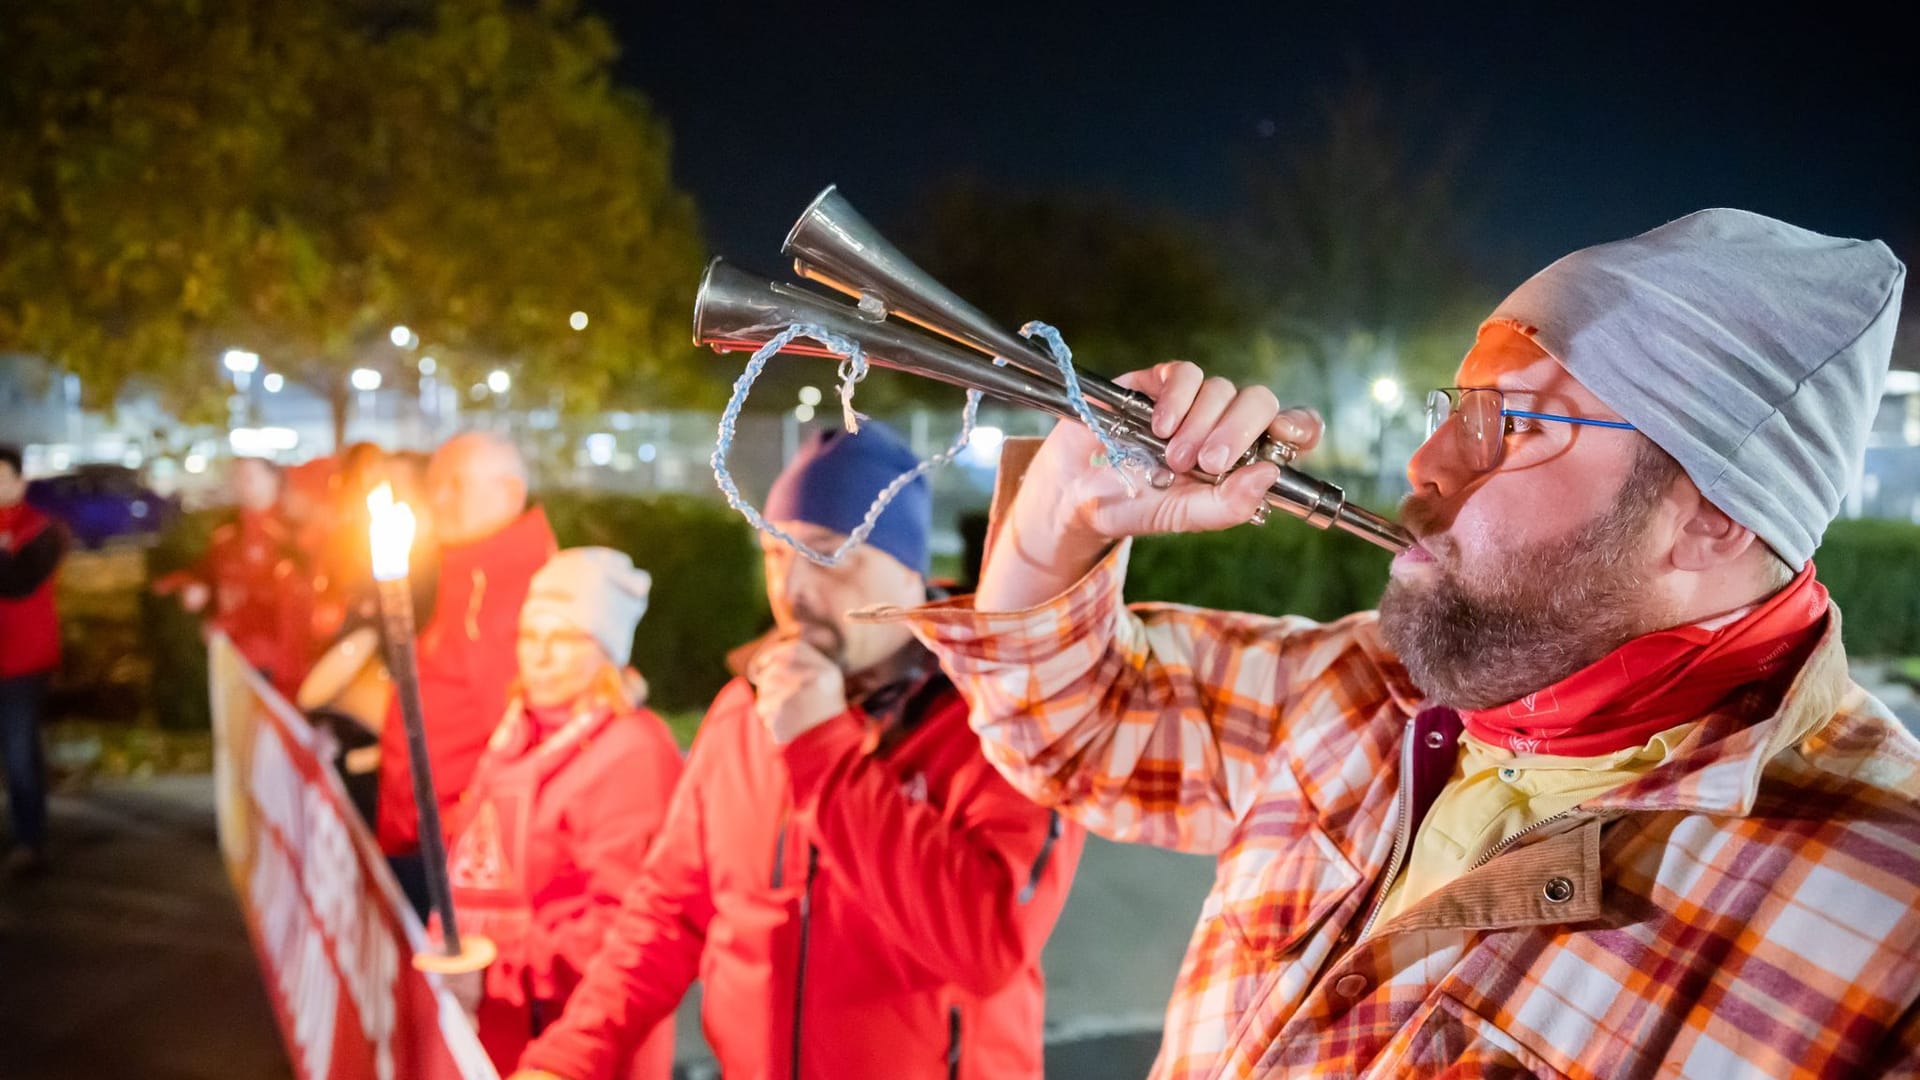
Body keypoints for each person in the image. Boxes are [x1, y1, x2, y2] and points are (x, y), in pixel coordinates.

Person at [891, 210, 1918, 1075]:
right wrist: (1060, 519)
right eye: (1450, 411)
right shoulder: (1363, 685)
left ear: (1712, 520)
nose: (1425, 464)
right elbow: (1077, 727)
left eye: (1512, 425)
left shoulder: (1891, 928)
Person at [511, 423, 1085, 1080]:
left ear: (906, 564)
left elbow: (989, 943)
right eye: (775, 554)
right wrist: (569, 1058)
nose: (792, 591)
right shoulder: (744, 711)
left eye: (825, 554)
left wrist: (820, 748)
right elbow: (668, 912)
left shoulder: (999, 713)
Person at [436, 547, 681, 1079]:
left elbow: (627, 928)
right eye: (530, 636)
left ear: (607, 650)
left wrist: (496, 965)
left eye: (565, 639)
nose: (540, 656)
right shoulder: (513, 736)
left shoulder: (631, 752)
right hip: (496, 1030)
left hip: (578, 1046)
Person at [377, 433, 556, 874]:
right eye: (434, 482)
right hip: (430, 835)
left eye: (456, 485)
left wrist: (467, 823)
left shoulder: (518, 592)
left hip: (460, 850)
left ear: (510, 494)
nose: (437, 498)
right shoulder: (473, 576)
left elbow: (530, 735)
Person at [153, 456, 313, 698]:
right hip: (235, 655)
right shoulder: (228, 531)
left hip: (284, 658)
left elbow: (300, 593)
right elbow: (209, 571)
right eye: (238, 476)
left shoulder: (295, 532)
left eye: (251, 476)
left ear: (274, 479)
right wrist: (193, 586)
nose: (243, 483)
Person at [0, 444, 68, 874]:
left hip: (22, 662)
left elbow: (20, 583)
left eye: (2, 478)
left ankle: (30, 839)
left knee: (19, 752)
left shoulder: (43, 530)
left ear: (20, 482)